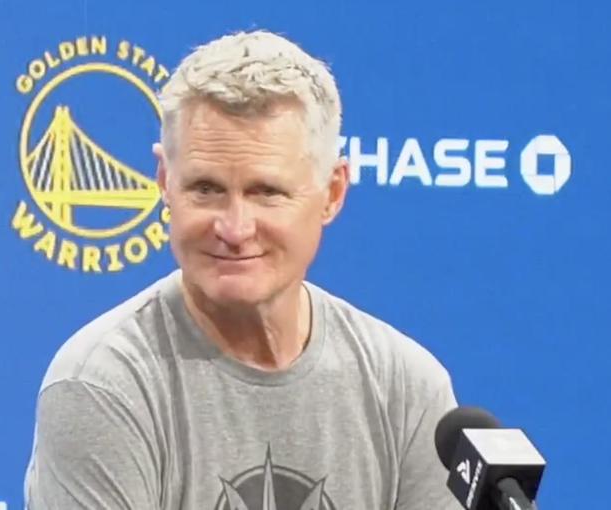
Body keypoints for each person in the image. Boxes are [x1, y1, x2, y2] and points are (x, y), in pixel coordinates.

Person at [24, 30, 460, 510]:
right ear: (165, 182)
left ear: (333, 193)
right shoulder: (101, 385)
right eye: (206, 189)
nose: (234, 228)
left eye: (266, 192)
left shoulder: (406, 386)